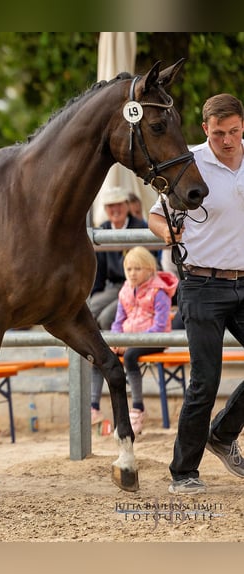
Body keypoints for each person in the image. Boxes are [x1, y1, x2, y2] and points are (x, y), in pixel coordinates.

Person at [148, 93, 244, 495]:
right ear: (206, 130)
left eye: (235, 131)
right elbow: (155, 215)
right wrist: (166, 232)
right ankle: (184, 471)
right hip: (202, 284)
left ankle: (221, 435)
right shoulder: (190, 162)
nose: (227, 140)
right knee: (206, 380)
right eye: (219, 133)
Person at [90, 247, 178, 434]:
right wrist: (116, 340)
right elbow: (118, 321)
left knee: (130, 356)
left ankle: (138, 408)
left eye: (137, 268)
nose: (132, 273)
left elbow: (160, 326)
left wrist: (129, 342)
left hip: (154, 340)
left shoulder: (159, 292)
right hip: (128, 339)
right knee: (100, 355)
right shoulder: (125, 291)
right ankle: (93, 406)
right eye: (129, 269)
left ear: (149, 269)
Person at [88, 186, 159, 330]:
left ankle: (114, 350)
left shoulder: (141, 228)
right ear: (105, 209)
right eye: (110, 206)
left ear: (127, 205)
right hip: (112, 286)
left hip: (137, 286)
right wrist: (96, 292)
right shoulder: (103, 229)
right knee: (88, 311)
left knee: (106, 318)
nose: (115, 209)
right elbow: (99, 267)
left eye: (119, 204)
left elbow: (149, 263)